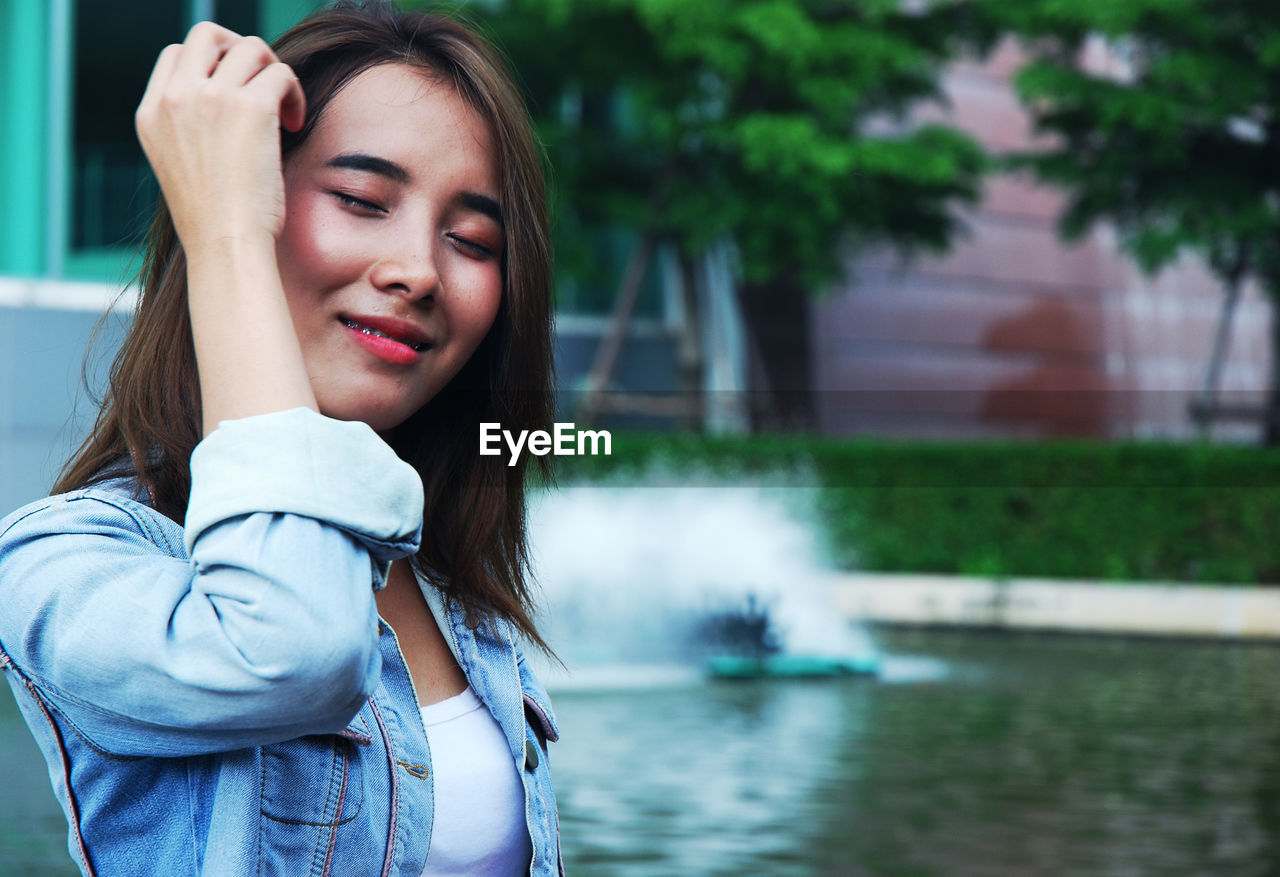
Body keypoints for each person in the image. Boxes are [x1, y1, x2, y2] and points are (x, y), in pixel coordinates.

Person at [0, 2, 563, 874]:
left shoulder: (446, 575)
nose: (418, 268)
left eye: (470, 238)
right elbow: (292, 653)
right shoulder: (64, 562)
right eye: (360, 199)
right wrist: (225, 238)